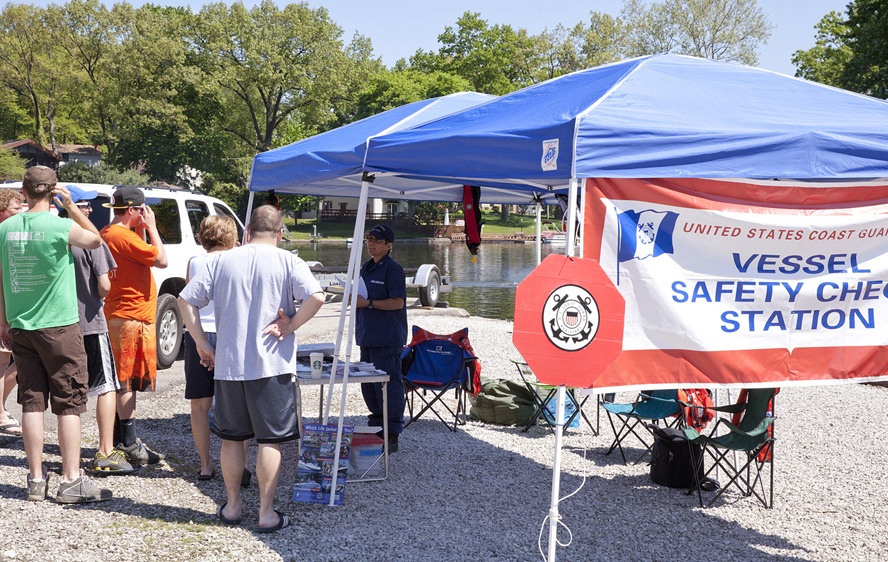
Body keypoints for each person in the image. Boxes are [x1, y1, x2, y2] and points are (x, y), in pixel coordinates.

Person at [178, 205, 324, 533]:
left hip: (229, 366)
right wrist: (292, 325)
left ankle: (232, 506)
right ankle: (266, 513)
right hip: (271, 364)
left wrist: (202, 342)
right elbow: (317, 295)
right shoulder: (289, 260)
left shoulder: (221, 260)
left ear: (246, 232)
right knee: (270, 441)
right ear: (280, 233)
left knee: (232, 439)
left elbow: (185, 300)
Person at [0, 166, 112, 503]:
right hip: (60, 325)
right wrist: (73, 207)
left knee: (31, 401)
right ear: (52, 191)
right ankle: (71, 480)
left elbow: (1, 278)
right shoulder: (61, 227)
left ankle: (35, 480)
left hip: (21, 324)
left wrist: (3, 321)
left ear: (23, 190)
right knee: (69, 401)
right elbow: (96, 241)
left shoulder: (5, 228)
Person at [60, 200, 135, 475]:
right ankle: (105, 450)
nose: (89, 209)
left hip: (57, 322)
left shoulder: (51, 236)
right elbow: (104, 285)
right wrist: (97, 297)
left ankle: (70, 456)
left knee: (66, 391)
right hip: (90, 320)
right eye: (83, 205)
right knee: (106, 386)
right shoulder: (91, 241)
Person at [100, 185, 167, 465]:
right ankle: (128, 443)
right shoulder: (122, 237)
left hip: (120, 313)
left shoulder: (108, 233)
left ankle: (120, 440)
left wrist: (139, 227)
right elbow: (162, 259)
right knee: (127, 382)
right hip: (131, 317)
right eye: (143, 210)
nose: (146, 214)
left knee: (122, 381)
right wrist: (151, 227)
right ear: (133, 210)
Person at [183, 215, 245, 481]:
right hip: (229, 332)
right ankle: (239, 465)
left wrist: (199, 342)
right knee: (236, 404)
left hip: (198, 332)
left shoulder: (195, 262)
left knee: (200, 404)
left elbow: (189, 298)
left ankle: (206, 464)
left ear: (203, 237)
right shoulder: (239, 260)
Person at [355, 224, 408, 453]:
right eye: (369, 238)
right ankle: (376, 426)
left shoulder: (393, 269)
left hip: (387, 339)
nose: (371, 243)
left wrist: (367, 303)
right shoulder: (366, 268)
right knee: (370, 386)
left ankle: (391, 432)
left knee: (389, 385)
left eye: (376, 240)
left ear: (389, 245)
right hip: (367, 336)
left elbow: (398, 302)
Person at [0, 188, 23, 437]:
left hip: (9, 308)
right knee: (7, 361)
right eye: (16, 208)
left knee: (7, 361)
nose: (20, 213)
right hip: (3, 310)